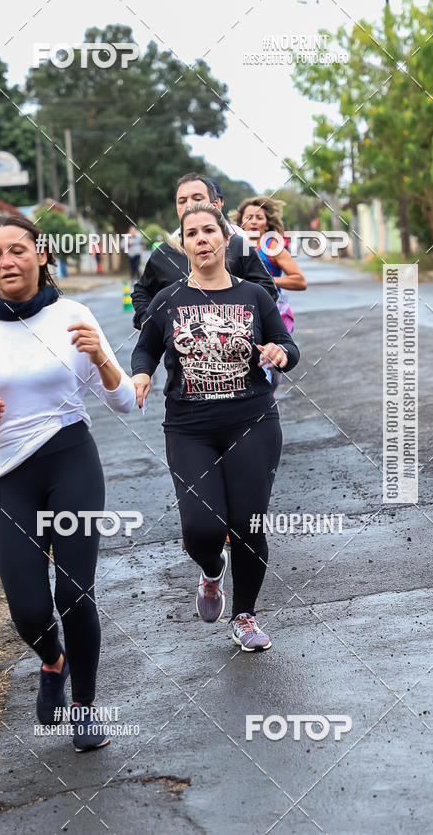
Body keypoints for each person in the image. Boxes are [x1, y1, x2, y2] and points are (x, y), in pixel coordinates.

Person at [0, 214, 136, 752]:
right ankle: (51, 662)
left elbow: (123, 402)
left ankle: (86, 708)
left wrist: (101, 358)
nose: (7, 261)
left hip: (69, 457)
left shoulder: (74, 315)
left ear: (42, 255)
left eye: (17, 250)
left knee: (75, 592)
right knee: (28, 608)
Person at [130, 202, 300, 651]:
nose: (202, 238)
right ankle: (210, 571)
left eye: (210, 230)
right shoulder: (168, 301)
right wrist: (142, 373)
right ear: (183, 244)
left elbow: (286, 343)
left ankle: (245, 615)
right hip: (189, 429)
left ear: (226, 239)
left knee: (248, 522)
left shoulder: (254, 295)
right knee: (202, 530)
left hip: (253, 420)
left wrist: (282, 353)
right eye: (192, 233)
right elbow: (144, 348)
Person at [131, 174, 278, 330]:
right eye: (182, 201)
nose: (189, 205)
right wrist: (149, 322)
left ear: (214, 205)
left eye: (197, 198)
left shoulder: (238, 245)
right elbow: (142, 292)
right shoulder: (164, 253)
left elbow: (267, 290)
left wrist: (240, 325)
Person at [232, 195, 307, 390]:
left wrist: (261, 282)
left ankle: (267, 399)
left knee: (268, 365)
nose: (254, 221)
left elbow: (300, 280)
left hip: (271, 311)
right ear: (240, 223)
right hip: (238, 314)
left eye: (259, 217)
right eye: (249, 217)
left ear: (267, 224)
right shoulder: (231, 247)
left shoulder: (271, 247)